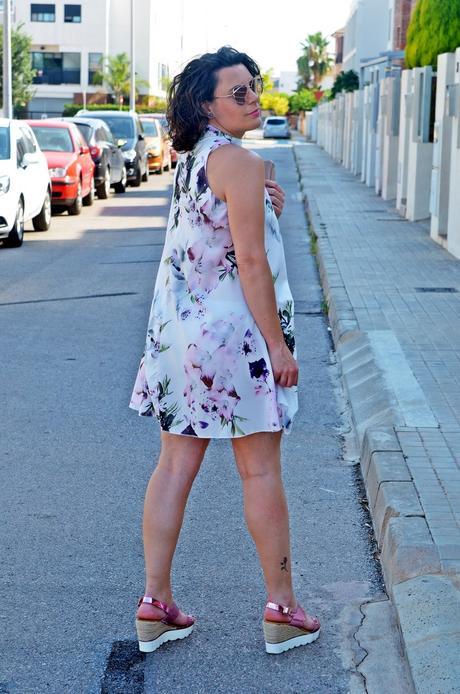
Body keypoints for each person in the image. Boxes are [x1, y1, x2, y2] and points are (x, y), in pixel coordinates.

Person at [130, 46, 321, 655]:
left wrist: (264, 202)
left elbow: (211, 242)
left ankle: (154, 603)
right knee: (259, 469)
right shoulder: (235, 162)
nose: (254, 98)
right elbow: (252, 264)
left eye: (255, 87)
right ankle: (282, 609)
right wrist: (277, 345)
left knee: (174, 467)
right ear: (205, 104)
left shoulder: (195, 161)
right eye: (238, 92)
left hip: (181, 341)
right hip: (235, 342)